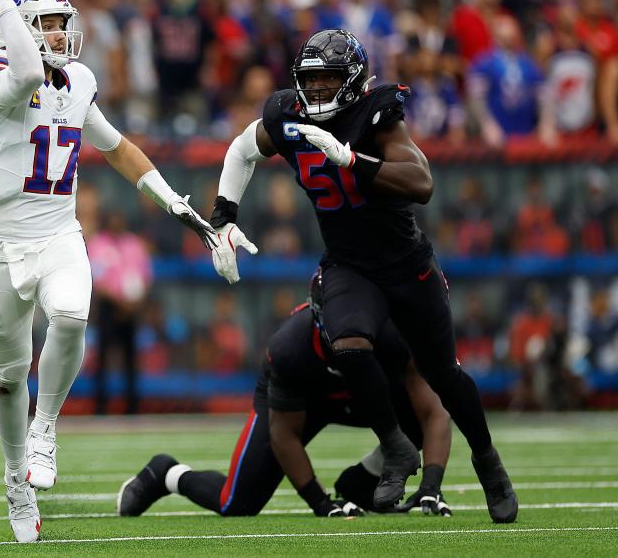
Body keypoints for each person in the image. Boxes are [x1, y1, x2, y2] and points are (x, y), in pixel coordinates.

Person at [207, 29, 518, 523]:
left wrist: (352, 158)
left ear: (352, 80)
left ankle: (489, 464)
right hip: (350, 264)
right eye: (312, 80)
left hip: (405, 263)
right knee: (348, 343)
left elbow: (422, 183)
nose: (319, 90)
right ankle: (395, 445)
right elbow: (241, 150)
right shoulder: (289, 116)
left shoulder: (377, 114)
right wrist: (224, 214)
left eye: (330, 79)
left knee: (443, 374)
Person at [0, 0, 217, 543]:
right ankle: (15, 478)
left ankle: (44, 428)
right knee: (7, 375)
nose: (59, 33)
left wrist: (177, 204)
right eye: (46, 22)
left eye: (59, 22)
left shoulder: (77, 81)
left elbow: (117, 146)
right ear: (19, 26)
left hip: (56, 230)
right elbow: (24, 77)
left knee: (72, 315)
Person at [117, 299, 452, 518]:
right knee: (237, 502)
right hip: (303, 402)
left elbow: (434, 410)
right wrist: (321, 504)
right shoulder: (291, 347)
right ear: (319, 320)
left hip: (366, 396)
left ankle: (359, 485)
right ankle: (165, 473)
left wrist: (430, 488)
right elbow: (284, 435)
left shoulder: (393, 333)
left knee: (422, 404)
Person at [89, 210, 153, 415]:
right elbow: (97, 279)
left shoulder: (134, 244)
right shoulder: (98, 244)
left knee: (131, 358)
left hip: (132, 308)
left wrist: (134, 303)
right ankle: (101, 406)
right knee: (104, 357)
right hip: (109, 308)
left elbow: (145, 275)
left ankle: (132, 406)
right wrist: (119, 301)